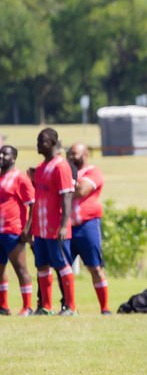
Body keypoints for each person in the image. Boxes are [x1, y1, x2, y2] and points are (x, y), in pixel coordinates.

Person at [31, 128, 77, 316]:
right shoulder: (41, 167)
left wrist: (63, 225)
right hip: (41, 227)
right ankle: (46, 306)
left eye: (41, 141)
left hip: (55, 226)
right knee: (42, 265)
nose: (38, 145)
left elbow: (67, 196)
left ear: (52, 143)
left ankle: (71, 307)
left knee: (62, 264)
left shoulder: (61, 166)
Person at [68, 143, 111, 315]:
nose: (71, 157)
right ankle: (69, 307)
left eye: (75, 153)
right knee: (64, 268)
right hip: (67, 226)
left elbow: (81, 190)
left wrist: (64, 186)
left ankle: (105, 307)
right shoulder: (67, 172)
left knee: (95, 267)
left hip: (87, 225)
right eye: (69, 154)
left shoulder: (93, 172)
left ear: (85, 154)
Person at [0, 145, 36, 316]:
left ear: (14, 158)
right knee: (0, 270)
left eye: (5, 154)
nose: (1, 157)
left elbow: (33, 204)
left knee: (21, 269)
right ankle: (3, 306)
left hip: (13, 231)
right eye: (0, 154)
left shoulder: (20, 178)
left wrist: (28, 230)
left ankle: (27, 307)